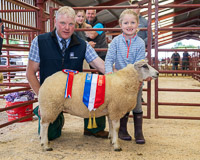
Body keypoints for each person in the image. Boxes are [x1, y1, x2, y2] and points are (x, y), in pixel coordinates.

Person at [26, 6, 107, 140]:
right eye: (63, 23)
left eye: (71, 24)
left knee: (96, 89)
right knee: (50, 135)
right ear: (55, 22)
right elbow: (30, 73)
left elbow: (100, 65)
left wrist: (122, 75)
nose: (67, 28)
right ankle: (57, 119)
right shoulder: (40, 42)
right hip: (52, 95)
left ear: (75, 24)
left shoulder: (83, 44)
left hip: (76, 94)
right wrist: (43, 100)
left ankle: (94, 128)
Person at [105, 9, 152, 144]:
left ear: (137, 24)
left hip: (134, 81)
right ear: (121, 25)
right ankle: (123, 130)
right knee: (121, 105)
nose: (129, 25)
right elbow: (109, 60)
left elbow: (138, 64)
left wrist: (136, 80)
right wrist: (109, 73)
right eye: (126, 23)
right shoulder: (115, 42)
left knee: (136, 104)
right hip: (118, 81)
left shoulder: (140, 43)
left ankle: (138, 132)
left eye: (132, 22)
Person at [82, 8, 109, 138]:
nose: (90, 15)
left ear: (95, 14)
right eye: (88, 13)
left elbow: (92, 35)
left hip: (99, 61)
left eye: (92, 13)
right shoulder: (80, 26)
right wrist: (86, 43)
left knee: (98, 93)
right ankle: (90, 128)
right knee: (88, 92)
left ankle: (96, 127)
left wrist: (82, 28)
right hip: (88, 62)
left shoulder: (99, 24)